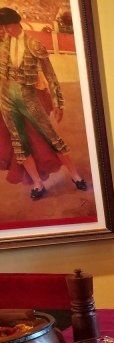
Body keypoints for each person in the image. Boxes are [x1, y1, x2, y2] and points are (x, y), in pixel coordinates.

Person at [0, 6, 85, 199]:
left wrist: (58, 103)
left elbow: (51, 75)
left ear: (16, 23)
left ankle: (76, 176)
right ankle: (38, 184)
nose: (5, 30)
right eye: (3, 27)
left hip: (27, 96)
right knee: (19, 143)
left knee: (51, 136)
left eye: (7, 26)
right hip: (6, 98)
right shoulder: (2, 43)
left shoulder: (34, 44)